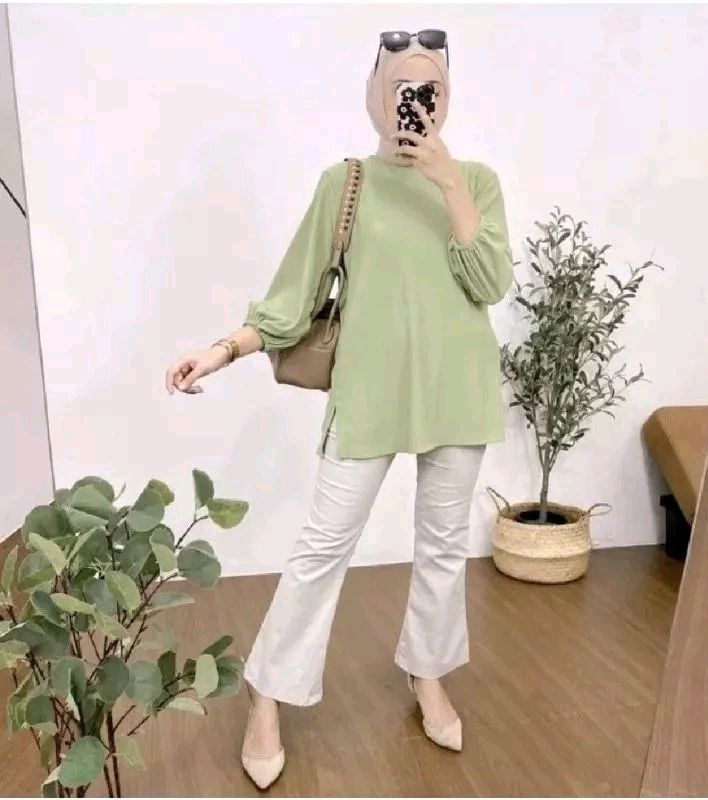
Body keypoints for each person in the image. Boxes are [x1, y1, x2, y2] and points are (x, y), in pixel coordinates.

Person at [165, 29, 514, 791]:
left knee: (442, 547)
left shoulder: (476, 181)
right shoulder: (346, 182)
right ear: (375, 95)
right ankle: (268, 690)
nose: (414, 103)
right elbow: (294, 295)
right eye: (401, 89)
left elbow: (490, 282)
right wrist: (224, 350)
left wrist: (449, 183)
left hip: (458, 390)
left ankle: (427, 672)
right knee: (323, 548)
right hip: (370, 392)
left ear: (446, 99)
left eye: (430, 90)